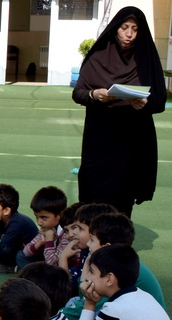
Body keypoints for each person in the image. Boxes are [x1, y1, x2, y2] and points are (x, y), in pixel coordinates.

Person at [72, 6, 166, 217]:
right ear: (115, 28)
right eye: (125, 27)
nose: (129, 34)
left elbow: (159, 99)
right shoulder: (98, 55)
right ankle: (92, 240)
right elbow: (78, 93)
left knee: (125, 192)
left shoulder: (146, 57)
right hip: (100, 137)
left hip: (133, 138)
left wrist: (145, 104)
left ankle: (119, 241)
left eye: (135, 28)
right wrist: (95, 94)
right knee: (95, 191)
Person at [16, 186, 69, 269]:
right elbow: (26, 252)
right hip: (47, 261)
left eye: (44, 217)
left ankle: (31, 275)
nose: (39, 222)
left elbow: (53, 263)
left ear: (60, 215)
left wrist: (49, 241)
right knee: (20, 255)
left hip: (59, 268)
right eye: (37, 217)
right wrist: (40, 243)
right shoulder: (48, 227)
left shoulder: (67, 233)